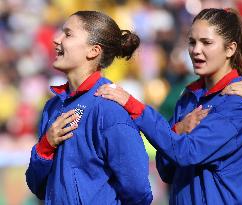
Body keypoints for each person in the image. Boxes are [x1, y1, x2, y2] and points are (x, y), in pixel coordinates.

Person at [95, 8, 242, 205]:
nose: (196, 50)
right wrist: (176, 130)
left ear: (230, 48)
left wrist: (134, 107)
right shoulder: (188, 97)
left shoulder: (237, 103)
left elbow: (187, 153)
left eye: (206, 42)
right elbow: (166, 168)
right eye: (192, 42)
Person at [25, 11, 153, 205]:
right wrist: (45, 147)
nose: (56, 39)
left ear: (93, 51)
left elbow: (138, 190)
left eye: (68, 34)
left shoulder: (109, 108)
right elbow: (37, 186)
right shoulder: (52, 107)